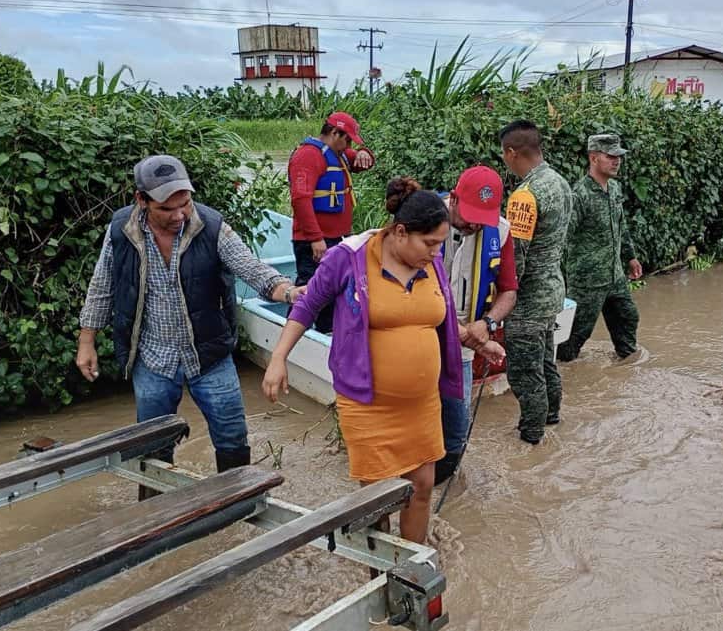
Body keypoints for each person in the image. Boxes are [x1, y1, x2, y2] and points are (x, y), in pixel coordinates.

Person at [75, 154, 301, 487]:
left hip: (208, 354)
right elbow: (101, 285)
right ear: (142, 200)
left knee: (232, 437)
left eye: (185, 203)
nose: (179, 215)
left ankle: (236, 508)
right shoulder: (122, 231)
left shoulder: (210, 226)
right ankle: (154, 513)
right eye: (167, 208)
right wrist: (86, 340)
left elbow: (251, 268)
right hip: (152, 357)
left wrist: (287, 292)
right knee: (151, 447)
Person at [262, 178, 463, 543]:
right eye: (430, 243)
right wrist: (278, 358)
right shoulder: (350, 258)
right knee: (378, 499)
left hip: (422, 403)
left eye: (440, 244)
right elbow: (308, 305)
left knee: (422, 486)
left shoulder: (430, 264)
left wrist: (476, 340)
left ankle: (409, 574)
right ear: (400, 232)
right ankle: (379, 576)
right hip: (368, 403)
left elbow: (435, 319)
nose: (436, 253)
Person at [435, 166, 518, 484]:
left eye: (480, 218)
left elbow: (509, 291)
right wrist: (477, 339)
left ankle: (446, 484)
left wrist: (488, 323)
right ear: (453, 199)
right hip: (421, 336)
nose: (472, 224)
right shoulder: (425, 217)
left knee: (457, 423)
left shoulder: (501, 230)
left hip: (466, 343)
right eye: (468, 215)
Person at [499, 120, 572, 445]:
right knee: (545, 360)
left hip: (528, 301)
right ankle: (552, 416)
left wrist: (499, 297)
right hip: (553, 290)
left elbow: (517, 258)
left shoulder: (524, 196)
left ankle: (531, 437)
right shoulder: (559, 182)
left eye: (504, 154)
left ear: (512, 152)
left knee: (525, 373)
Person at [557, 134, 642, 362]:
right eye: (610, 156)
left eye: (618, 157)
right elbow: (563, 237)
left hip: (614, 275)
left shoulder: (614, 189)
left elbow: (620, 226)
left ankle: (627, 366)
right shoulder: (579, 195)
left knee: (628, 317)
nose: (617, 161)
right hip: (587, 281)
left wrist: (630, 257)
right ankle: (564, 372)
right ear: (593, 158)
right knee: (574, 337)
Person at [288, 111, 375, 333]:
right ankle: (291, 335)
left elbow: (364, 162)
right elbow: (300, 199)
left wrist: (365, 153)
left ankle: (325, 334)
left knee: (333, 288)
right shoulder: (308, 155)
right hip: (314, 239)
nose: (349, 145)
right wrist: (316, 239)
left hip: (335, 238)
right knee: (309, 288)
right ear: (335, 133)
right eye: (347, 139)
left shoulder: (340, 154)